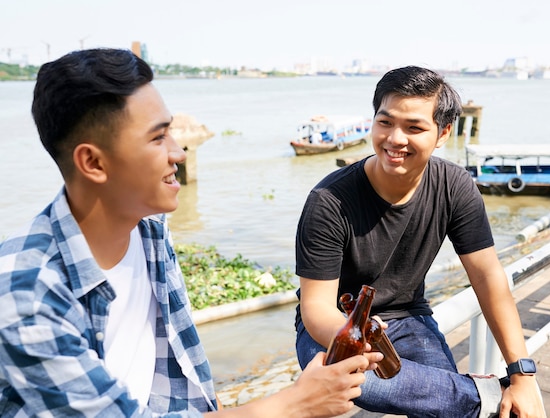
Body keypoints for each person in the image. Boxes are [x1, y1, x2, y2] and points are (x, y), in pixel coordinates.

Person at [0, 48, 381, 417]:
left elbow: (177, 368)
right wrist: (294, 405)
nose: (179, 153)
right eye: (157, 137)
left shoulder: (148, 225)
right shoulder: (26, 295)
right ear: (93, 162)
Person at [294, 66, 547, 418]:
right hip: (337, 325)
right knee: (364, 383)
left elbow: (488, 277)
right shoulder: (328, 200)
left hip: (408, 316)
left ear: (443, 133)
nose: (395, 139)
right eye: (385, 123)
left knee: (440, 396)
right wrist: (358, 336)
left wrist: (522, 373)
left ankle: (479, 395)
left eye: (414, 128)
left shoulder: (454, 187)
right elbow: (316, 309)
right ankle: (485, 395)